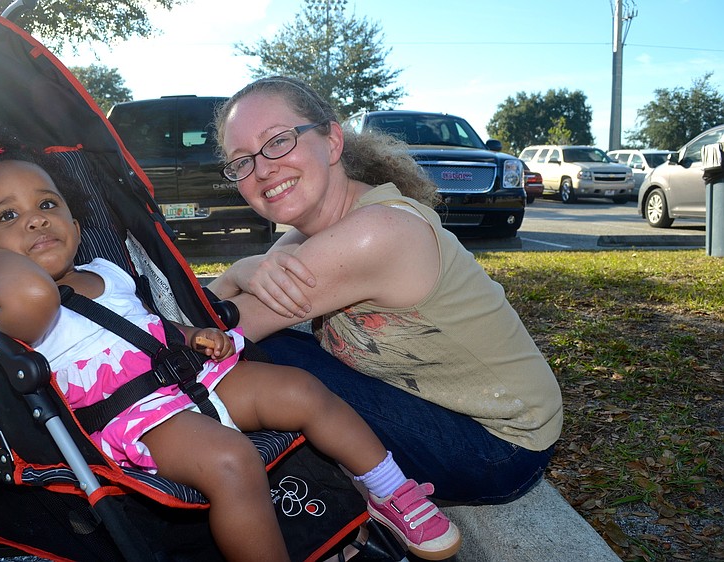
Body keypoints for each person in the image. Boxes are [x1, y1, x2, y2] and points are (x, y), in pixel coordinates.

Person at [0, 126, 461, 562]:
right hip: (134, 419)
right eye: (7, 217)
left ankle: (391, 490)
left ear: (74, 221)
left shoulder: (106, 270)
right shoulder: (13, 305)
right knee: (233, 461)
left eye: (47, 204)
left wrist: (193, 336)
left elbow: (146, 326)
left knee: (301, 388)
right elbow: (29, 292)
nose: (34, 219)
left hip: (188, 378)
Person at [207, 76, 564, 505]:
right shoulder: (308, 237)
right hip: (445, 415)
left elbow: (211, 333)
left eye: (278, 141)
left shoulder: (375, 233)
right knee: (265, 358)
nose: (262, 168)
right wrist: (239, 273)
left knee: (258, 357)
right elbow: (212, 313)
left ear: (332, 141)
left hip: (499, 448)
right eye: (241, 161)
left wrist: (237, 274)